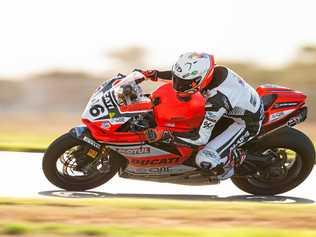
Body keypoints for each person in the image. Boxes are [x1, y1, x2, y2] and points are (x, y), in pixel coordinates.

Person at [140, 52, 264, 180]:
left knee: (205, 160)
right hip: (232, 109)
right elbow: (182, 77)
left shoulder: (217, 100)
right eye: (178, 80)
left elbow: (200, 139)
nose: (178, 87)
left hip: (244, 123)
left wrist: (166, 135)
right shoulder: (209, 73)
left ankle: (233, 160)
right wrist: (153, 75)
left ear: (203, 78)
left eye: (185, 84)